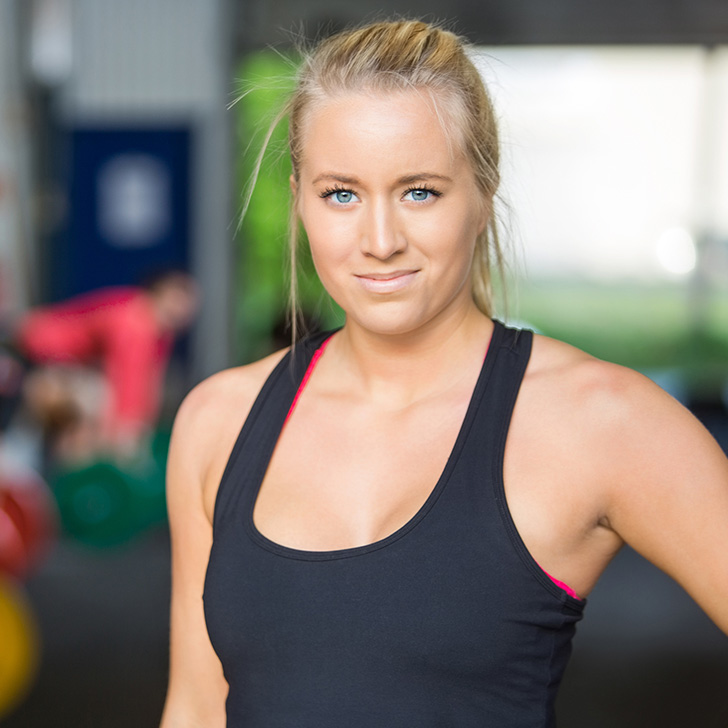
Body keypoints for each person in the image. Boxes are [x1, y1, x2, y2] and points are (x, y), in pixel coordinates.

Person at [160, 20, 728, 727]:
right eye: (341, 193)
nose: (379, 240)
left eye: (419, 191)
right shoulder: (218, 422)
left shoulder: (600, 421)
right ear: (301, 197)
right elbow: (194, 707)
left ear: (483, 195)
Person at [13, 269, 198, 460]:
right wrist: (126, 440)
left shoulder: (158, 328)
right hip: (36, 357)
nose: (190, 310)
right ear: (165, 295)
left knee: (100, 408)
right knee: (96, 404)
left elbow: (149, 383)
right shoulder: (137, 320)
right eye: (184, 300)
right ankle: (75, 474)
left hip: (56, 359)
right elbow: (128, 382)